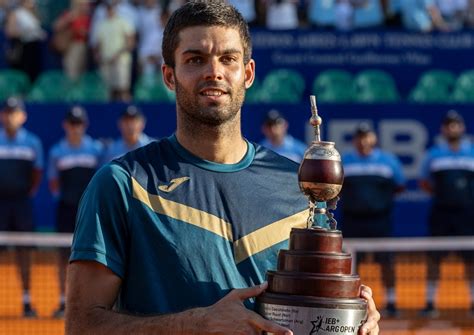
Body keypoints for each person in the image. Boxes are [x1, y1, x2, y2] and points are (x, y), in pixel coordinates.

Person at [65, 2, 380, 334]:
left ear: (248, 73)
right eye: (195, 59)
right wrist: (198, 324)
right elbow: (82, 325)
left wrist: (349, 315)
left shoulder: (298, 187)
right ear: (169, 76)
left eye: (228, 59)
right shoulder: (123, 184)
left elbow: (314, 305)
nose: (213, 71)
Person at [340, 123, 405, 317]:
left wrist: (378, 203)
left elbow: (399, 186)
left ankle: (391, 302)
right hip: (352, 222)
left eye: (366, 136)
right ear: (354, 140)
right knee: (351, 265)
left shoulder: (389, 161)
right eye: (359, 137)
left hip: (380, 222)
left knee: (386, 263)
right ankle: (349, 302)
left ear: (374, 139)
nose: (363, 141)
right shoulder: (345, 161)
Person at [47, 106, 103, 318]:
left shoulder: (96, 150)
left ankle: (92, 303)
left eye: (79, 124)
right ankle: (63, 301)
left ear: (85, 126)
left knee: (93, 257)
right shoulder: (56, 152)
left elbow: (101, 179)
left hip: (90, 211)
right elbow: (53, 183)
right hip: (66, 209)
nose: (75, 128)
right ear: (65, 125)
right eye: (72, 123)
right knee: (63, 256)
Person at [419, 110, 474, 316]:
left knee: (471, 261)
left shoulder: (472, 152)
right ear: (443, 129)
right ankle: (431, 303)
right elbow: (424, 182)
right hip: (441, 213)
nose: (452, 128)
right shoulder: (433, 155)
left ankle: (473, 304)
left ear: (462, 128)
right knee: (435, 259)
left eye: (456, 124)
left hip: (468, 214)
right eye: (448, 125)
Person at [0, 96, 43, 317]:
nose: (10, 117)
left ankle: (26, 301)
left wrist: (27, 191)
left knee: (24, 252)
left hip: (21, 204)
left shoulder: (32, 143)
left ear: (23, 116)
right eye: (7, 112)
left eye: (14, 113)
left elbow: (37, 173)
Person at [93, 0, 136, 101]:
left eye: (111, 8)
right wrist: (98, 55)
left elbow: (131, 41)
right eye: (108, 8)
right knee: (107, 90)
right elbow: (97, 45)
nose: (110, 10)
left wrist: (119, 54)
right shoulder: (101, 25)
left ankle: (127, 109)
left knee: (123, 89)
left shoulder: (123, 22)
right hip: (106, 61)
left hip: (121, 61)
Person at [4, 0, 47, 81]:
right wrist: (25, 33)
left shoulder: (33, 14)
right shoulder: (16, 13)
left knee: (34, 72)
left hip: (34, 47)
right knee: (22, 73)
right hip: (22, 48)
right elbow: (10, 31)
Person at [52, 0, 91, 81]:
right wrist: (69, 19)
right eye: (82, 5)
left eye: (86, 5)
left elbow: (87, 32)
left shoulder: (87, 17)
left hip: (83, 45)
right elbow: (56, 26)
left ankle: (78, 91)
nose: (85, 7)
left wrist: (82, 32)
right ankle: (71, 91)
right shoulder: (70, 14)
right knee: (71, 71)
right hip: (71, 45)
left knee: (81, 72)